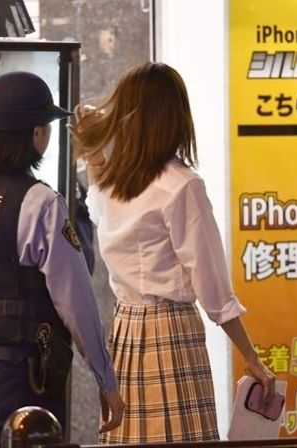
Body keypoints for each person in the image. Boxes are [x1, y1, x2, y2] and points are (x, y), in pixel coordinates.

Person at [68, 62, 276, 444]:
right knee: (180, 438)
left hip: (124, 328)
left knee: (130, 437)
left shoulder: (113, 181)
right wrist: (252, 357)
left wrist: (92, 147)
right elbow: (214, 289)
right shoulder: (181, 185)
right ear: (175, 117)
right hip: (171, 331)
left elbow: (97, 207)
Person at [0, 71, 124, 448]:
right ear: (35, 134)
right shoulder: (41, 205)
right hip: (13, 376)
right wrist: (106, 379)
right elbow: (75, 301)